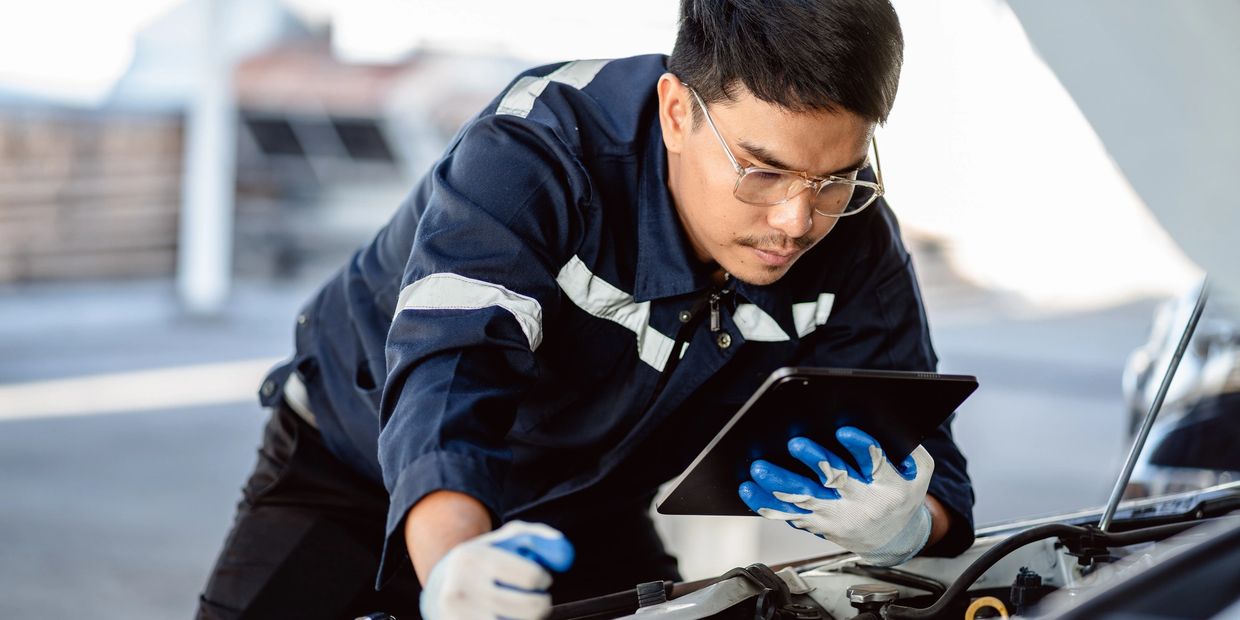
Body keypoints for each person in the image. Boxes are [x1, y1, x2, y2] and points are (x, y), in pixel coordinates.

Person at [198, 1, 975, 618]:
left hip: (582, 512)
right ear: (677, 111)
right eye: (763, 171)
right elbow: (449, 375)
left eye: (834, 176)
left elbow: (941, 478)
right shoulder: (534, 152)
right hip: (349, 469)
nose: (797, 222)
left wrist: (907, 527)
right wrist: (454, 564)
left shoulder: (856, 236)